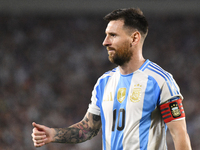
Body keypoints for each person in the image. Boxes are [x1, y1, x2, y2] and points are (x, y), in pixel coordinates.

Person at [31, 8, 192, 150]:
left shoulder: (160, 81)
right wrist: (54, 134)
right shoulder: (104, 82)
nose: (105, 42)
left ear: (134, 38)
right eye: (106, 35)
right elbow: (88, 129)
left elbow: (180, 135)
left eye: (113, 35)